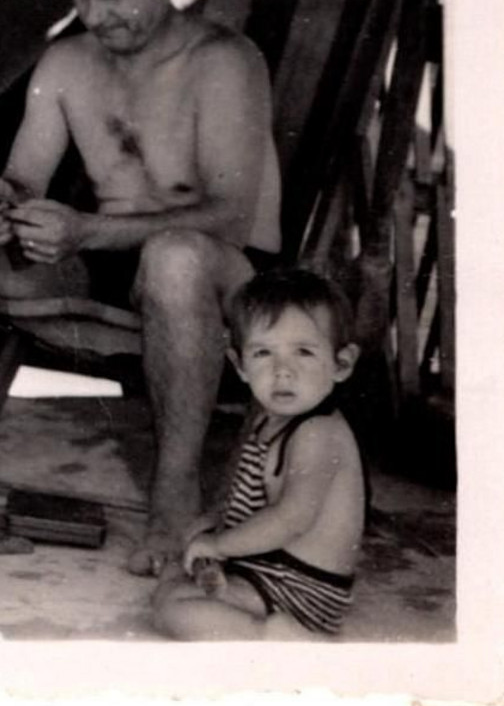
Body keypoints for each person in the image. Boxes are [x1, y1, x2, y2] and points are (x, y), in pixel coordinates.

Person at [0, 0, 282, 575]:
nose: (94, 16)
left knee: (174, 258)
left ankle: (172, 495)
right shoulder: (66, 62)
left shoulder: (224, 60)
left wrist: (87, 231)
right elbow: (22, 177)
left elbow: (230, 213)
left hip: (216, 266)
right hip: (98, 255)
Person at [152, 267, 363, 640]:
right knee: (171, 586)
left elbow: (290, 518)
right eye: (263, 353)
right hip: (268, 571)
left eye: (304, 352)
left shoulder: (319, 433)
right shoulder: (269, 419)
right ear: (240, 366)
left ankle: (276, 640)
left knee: (175, 612)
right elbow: (253, 496)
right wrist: (214, 522)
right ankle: (260, 626)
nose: (282, 371)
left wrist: (219, 545)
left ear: (341, 364)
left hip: (303, 591)